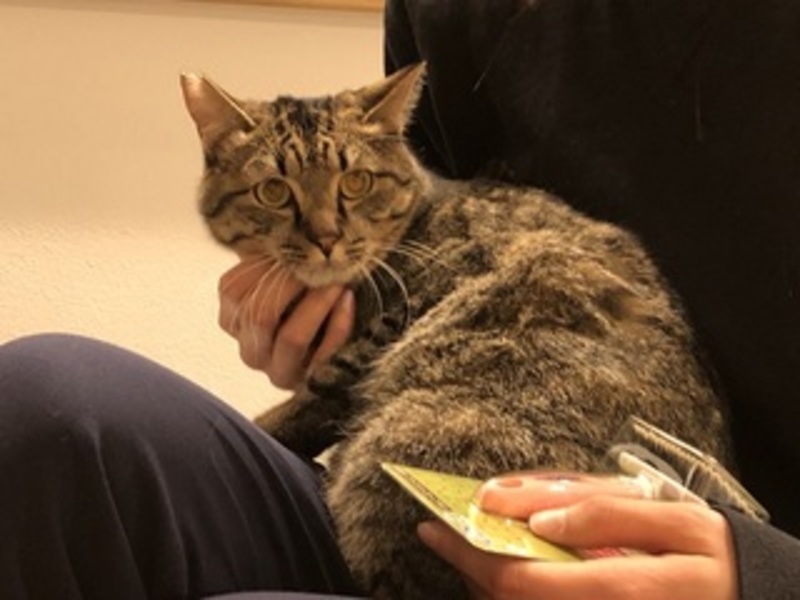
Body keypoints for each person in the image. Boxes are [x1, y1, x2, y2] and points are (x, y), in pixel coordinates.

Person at [1, 0, 798, 598]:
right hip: (457, 473)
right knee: (48, 403)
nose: (322, 228)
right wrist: (315, 333)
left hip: (715, 544)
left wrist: (768, 574)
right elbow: (406, 216)